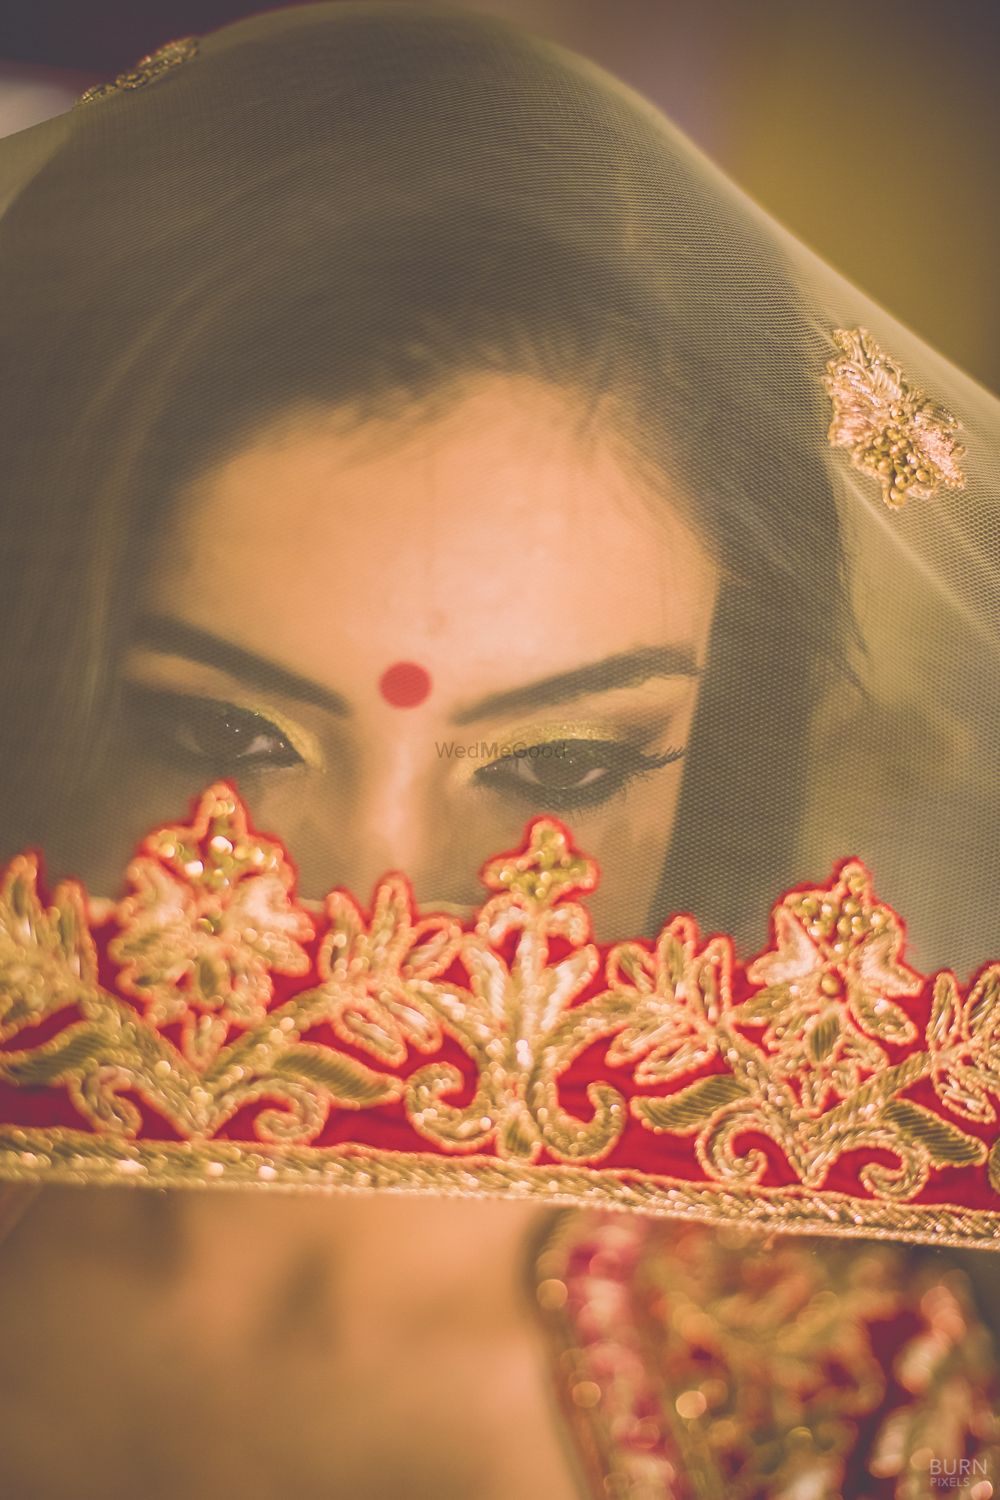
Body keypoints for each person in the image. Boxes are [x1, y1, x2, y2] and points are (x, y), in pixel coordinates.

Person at [0, 6, 997, 1497]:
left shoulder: (826, 1390)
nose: (379, 905)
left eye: (565, 768)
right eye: (224, 734)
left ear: (721, 734)